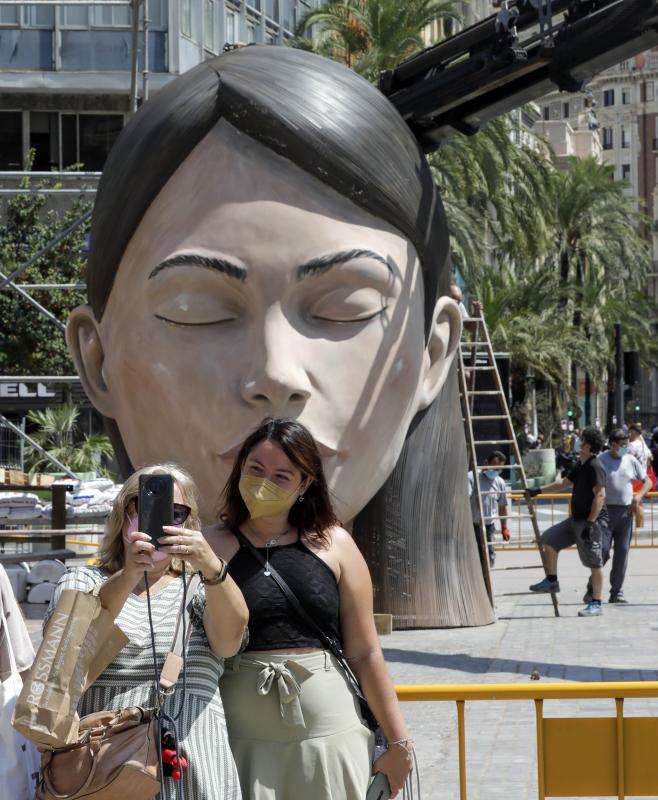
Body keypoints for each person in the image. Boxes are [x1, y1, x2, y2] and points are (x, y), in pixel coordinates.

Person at [66, 45, 491, 629]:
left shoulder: (339, 575)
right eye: (198, 311)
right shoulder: (89, 593)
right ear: (97, 359)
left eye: (346, 307)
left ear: (433, 352)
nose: (276, 373)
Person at [207, 418, 413, 800]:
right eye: (255, 469)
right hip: (236, 739)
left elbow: (366, 653)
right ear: (239, 470)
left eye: (282, 476)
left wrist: (400, 743)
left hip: (330, 737)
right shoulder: (209, 546)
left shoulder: (335, 544)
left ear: (305, 485)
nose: (264, 482)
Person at [44, 464, 248, 800]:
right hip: (104, 769)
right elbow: (66, 657)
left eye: (177, 513)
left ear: (190, 524)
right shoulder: (83, 581)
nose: (159, 520)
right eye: (140, 506)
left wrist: (211, 564)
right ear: (122, 515)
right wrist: (128, 575)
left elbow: (229, 641)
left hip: (193, 763)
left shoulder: (202, 587)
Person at [528, 426, 609, 617]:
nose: (578, 441)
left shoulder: (595, 466)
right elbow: (563, 483)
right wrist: (538, 490)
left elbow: (600, 495)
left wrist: (590, 523)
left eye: (582, 439)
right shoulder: (580, 464)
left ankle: (596, 603)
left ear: (588, 445)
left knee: (595, 563)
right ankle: (552, 580)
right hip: (576, 520)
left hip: (593, 522)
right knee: (548, 539)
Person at [582, 429, 652, 603]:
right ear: (612, 444)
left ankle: (616, 592)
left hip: (625, 514)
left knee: (622, 553)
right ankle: (592, 587)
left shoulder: (630, 460)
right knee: (602, 552)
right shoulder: (600, 460)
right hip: (605, 514)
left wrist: (638, 496)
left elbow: (649, 481)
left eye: (626, 444)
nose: (625, 448)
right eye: (621, 445)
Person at [468, 450, 510, 567]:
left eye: (499, 469)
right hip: (473, 525)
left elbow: (502, 506)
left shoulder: (499, 482)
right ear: (486, 463)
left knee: (489, 555)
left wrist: (504, 527)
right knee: (474, 556)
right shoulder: (472, 477)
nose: (496, 472)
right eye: (494, 468)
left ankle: (487, 581)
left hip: (489, 526)